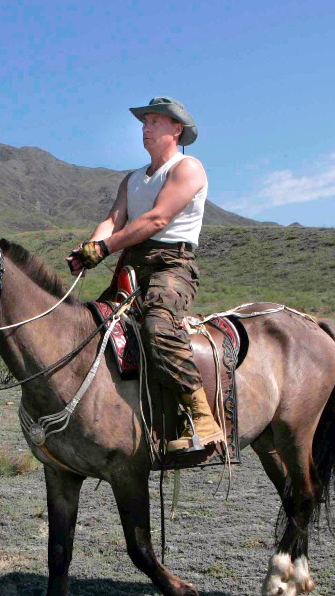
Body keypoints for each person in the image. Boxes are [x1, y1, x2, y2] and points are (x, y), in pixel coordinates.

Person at [67, 96, 224, 457]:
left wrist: (104, 249)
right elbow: (113, 219)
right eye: (145, 121)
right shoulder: (133, 179)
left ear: (177, 129)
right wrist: (89, 248)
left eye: (156, 121)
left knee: (158, 326)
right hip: (132, 266)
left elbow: (156, 220)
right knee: (90, 326)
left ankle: (203, 419)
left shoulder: (188, 168)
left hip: (173, 266)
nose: (146, 127)